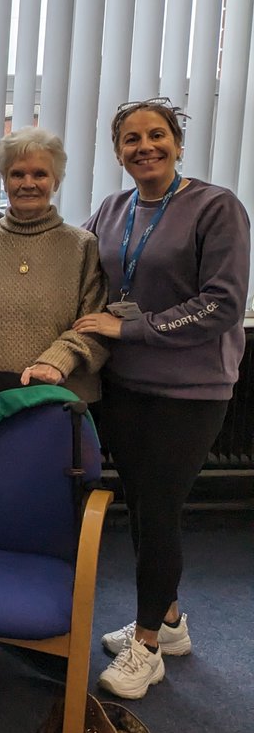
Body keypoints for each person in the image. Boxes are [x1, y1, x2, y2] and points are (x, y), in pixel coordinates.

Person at [73, 98, 250, 700]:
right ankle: (169, 622)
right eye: (130, 139)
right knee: (144, 506)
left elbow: (222, 303)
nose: (144, 147)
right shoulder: (113, 208)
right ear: (118, 152)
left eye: (156, 135)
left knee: (161, 511)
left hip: (190, 390)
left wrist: (133, 328)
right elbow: (84, 268)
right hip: (125, 384)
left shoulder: (217, 207)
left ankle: (146, 645)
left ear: (176, 142)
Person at [0, 127, 108, 403]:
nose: (27, 183)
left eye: (40, 174)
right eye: (17, 174)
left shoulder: (84, 247)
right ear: (4, 180)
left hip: (62, 399)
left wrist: (58, 361)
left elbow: (95, 323)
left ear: (56, 181)